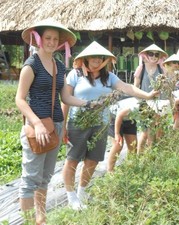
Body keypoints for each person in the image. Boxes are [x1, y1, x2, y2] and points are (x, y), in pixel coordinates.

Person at [15, 18, 95, 225]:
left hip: (56, 126)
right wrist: (37, 123)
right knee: (30, 179)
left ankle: (41, 217)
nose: (51, 42)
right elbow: (20, 99)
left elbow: (65, 98)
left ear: (60, 42)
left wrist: (86, 104)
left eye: (55, 39)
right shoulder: (30, 65)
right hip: (37, 127)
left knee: (45, 176)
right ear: (39, 39)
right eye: (47, 38)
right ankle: (28, 221)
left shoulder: (59, 66)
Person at [62, 41, 159, 210]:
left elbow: (128, 88)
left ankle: (82, 191)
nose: (97, 60)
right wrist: (62, 126)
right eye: (94, 57)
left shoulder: (109, 77)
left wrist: (148, 95)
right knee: (72, 160)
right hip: (78, 124)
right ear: (85, 58)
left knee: (92, 161)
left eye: (101, 57)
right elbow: (65, 101)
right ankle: (71, 197)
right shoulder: (75, 75)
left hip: (100, 124)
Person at [133, 44, 168, 153]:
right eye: (151, 54)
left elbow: (166, 85)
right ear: (146, 55)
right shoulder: (141, 68)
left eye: (156, 54)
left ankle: (151, 155)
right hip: (144, 103)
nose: (153, 56)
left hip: (158, 103)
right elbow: (135, 87)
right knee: (145, 131)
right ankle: (139, 156)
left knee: (156, 129)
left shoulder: (161, 68)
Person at [107, 97, 140, 172]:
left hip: (129, 119)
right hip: (114, 117)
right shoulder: (136, 106)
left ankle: (131, 168)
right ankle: (110, 171)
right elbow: (119, 115)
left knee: (133, 145)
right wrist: (117, 133)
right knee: (118, 145)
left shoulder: (151, 110)